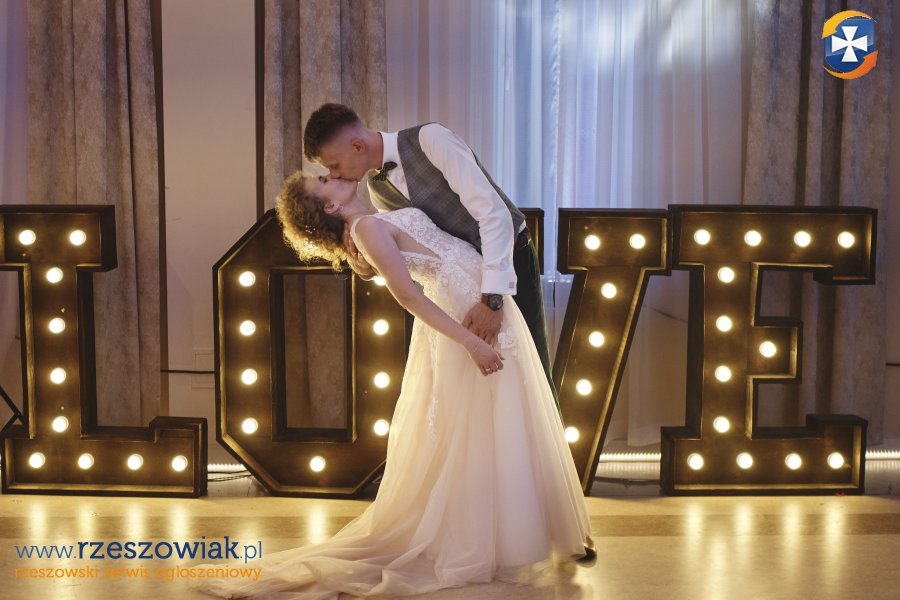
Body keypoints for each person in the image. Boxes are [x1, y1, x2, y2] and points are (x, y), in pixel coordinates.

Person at [189, 172, 594, 599]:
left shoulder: (374, 215)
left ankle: (508, 536)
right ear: (330, 206)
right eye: (323, 180)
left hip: (482, 304)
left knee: (503, 423)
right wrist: (471, 343)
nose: (333, 173)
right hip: (463, 319)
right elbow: (407, 296)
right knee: (479, 429)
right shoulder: (365, 228)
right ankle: (483, 540)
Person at [302, 103, 558, 404]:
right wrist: (363, 265)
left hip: (508, 262)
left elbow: (494, 215)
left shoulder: (431, 139)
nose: (334, 174)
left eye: (334, 165)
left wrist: (492, 298)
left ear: (357, 146)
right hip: (463, 290)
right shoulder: (377, 189)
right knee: (489, 394)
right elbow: (411, 252)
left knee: (533, 379)